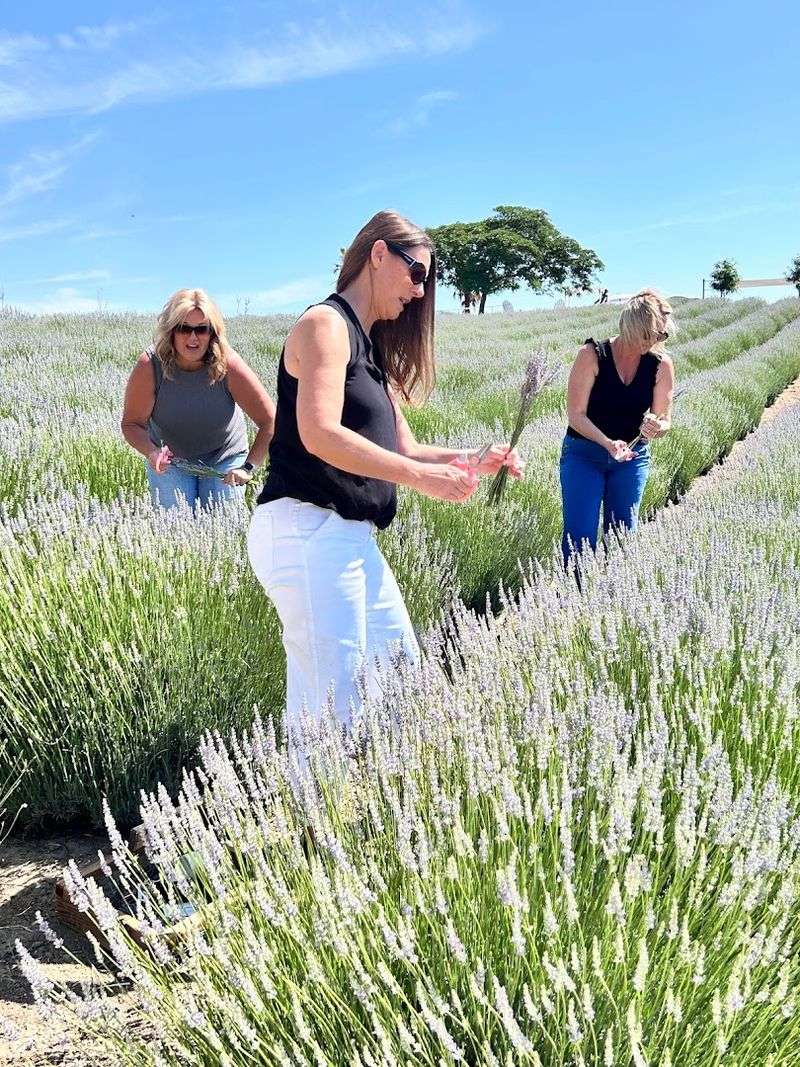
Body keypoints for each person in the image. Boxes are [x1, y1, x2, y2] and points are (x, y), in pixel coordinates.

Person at [247, 210, 522, 755]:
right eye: (416, 273)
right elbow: (319, 432)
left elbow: (407, 446)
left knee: (401, 681)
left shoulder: (369, 348)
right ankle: (314, 829)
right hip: (307, 528)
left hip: (347, 538)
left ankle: (369, 813)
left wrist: (475, 458)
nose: (420, 293)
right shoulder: (325, 326)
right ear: (378, 255)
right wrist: (420, 478)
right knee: (330, 709)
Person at [122, 289, 275, 509]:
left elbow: (270, 421)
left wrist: (248, 468)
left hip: (224, 457)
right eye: (184, 329)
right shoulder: (150, 365)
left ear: (212, 333)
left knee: (224, 529)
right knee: (173, 528)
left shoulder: (228, 364)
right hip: (171, 461)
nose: (193, 338)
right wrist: (152, 452)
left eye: (202, 329)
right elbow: (131, 424)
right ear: (171, 331)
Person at [559, 288, 675, 565]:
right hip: (584, 454)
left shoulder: (661, 364)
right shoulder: (591, 354)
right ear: (631, 329)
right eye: (650, 336)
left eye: (661, 336)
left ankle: (612, 597)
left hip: (631, 459)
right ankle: (573, 599)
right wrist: (607, 444)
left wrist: (655, 426)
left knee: (623, 535)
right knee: (580, 537)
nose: (655, 342)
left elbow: (665, 419)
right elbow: (576, 415)